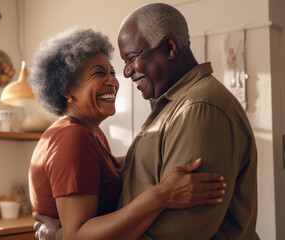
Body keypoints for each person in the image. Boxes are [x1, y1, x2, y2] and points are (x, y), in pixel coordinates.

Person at [28, 27, 226, 240]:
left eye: (111, 72)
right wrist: (162, 196)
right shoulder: (72, 137)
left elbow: (115, 168)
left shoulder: (92, 135)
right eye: (99, 73)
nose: (113, 81)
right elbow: (79, 235)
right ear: (66, 88)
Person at [116, 3, 259, 239]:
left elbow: (180, 231)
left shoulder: (199, 109)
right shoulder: (174, 105)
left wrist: (71, 235)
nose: (127, 73)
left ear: (170, 48)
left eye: (131, 58)